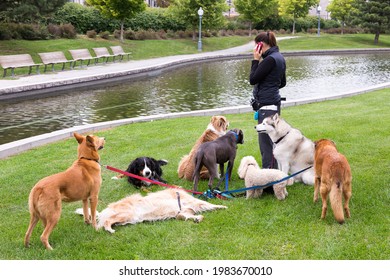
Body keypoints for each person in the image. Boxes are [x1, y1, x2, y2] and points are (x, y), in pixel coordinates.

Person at [249, 31, 286, 170]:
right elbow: (282, 83)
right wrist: (270, 85)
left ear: (261, 45)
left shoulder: (269, 60)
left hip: (266, 105)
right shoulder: (280, 57)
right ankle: (274, 174)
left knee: (266, 143)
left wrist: (255, 60)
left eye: (256, 46)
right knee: (273, 140)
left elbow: (253, 79)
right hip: (274, 103)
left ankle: (268, 181)